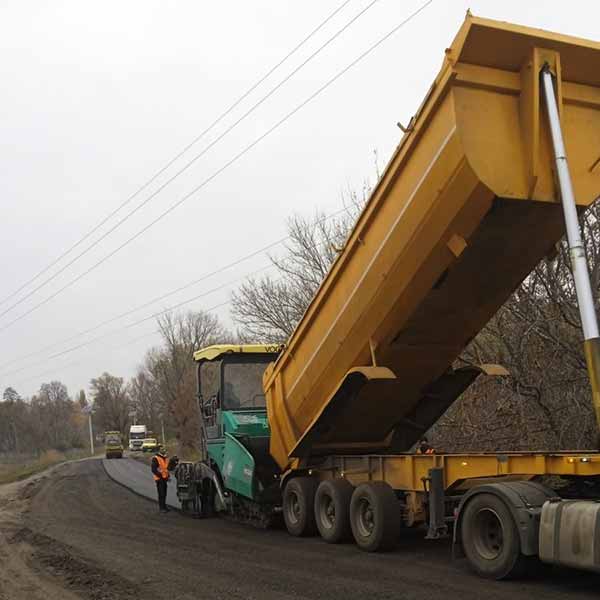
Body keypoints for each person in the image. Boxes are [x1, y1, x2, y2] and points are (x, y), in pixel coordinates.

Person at [151, 446, 178, 513]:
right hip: (159, 479)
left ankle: (164, 506)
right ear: (158, 451)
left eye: (164, 449)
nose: (163, 450)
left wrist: (174, 462)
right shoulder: (156, 458)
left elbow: (167, 469)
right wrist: (161, 476)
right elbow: (154, 470)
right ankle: (161, 508)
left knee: (164, 493)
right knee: (161, 493)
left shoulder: (165, 458)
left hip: (164, 478)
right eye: (162, 449)